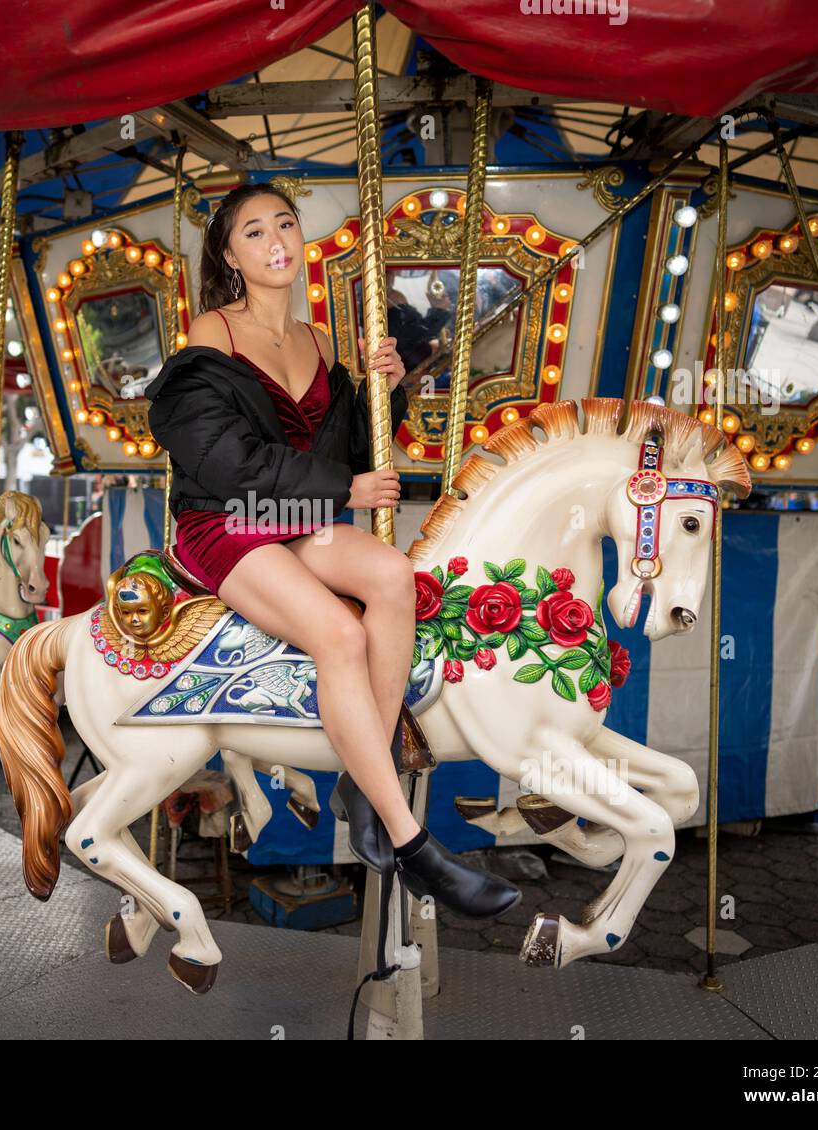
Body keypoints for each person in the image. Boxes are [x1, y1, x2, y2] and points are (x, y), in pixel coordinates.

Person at [146, 183, 520, 920]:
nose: (275, 240)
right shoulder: (210, 336)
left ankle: (362, 778)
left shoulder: (318, 342)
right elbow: (220, 456)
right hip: (229, 517)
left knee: (393, 576)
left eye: (284, 223)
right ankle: (414, 846)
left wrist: (385, 392)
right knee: (340, 634)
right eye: (254, 232)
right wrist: (342, 489)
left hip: (294, 512)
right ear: (229, 256)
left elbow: (347, 450)